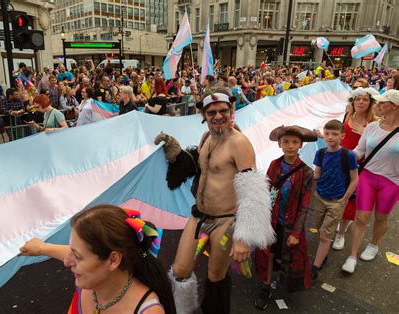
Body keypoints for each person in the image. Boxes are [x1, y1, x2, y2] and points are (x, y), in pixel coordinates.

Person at [153, 89, 275, 313]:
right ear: (203, 115)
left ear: (231, 111)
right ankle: (184, 310)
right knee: (180, 270)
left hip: (225, 222)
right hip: (199, 215)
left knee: (215, 275)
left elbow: (254, 191)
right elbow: (202, 170)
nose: (218, 116)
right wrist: (178, 154)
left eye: (223, 111)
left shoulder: (239, 143)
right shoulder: (206, 138)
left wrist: (243, 238)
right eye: (212, 112)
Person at [20, 205, 175, 314]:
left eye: (77, 256)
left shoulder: (147, 311)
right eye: (72, 250)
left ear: (113, 260)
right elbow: (72, 253)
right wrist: (43, 248)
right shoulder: (92, 279)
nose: (67, 262)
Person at [254, 125, 317, 310]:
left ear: (301, 145)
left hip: (290, 224)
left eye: (295, 142)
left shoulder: (306, 172)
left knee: (288, 256)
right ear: (280, 144)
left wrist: (296, 233)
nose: (290, 145)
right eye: (286, 142)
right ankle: (266, 287)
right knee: (269, 253)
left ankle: (286, 282)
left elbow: (305, 205)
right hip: (271, 221)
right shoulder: (274, 164)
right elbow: (266, 190)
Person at [342, 89, 399, 274]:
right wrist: (342, 157)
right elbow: (360, 151)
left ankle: (374, 245)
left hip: (392, 181)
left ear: (394, 106)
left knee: (381, 217)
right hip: (367, 176)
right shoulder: (372, 127)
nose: (378, 105)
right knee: (361, 217)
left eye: (382, 103)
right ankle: (352, 256)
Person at [311, 120, 358, 280]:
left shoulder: (349, 155)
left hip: (336, 201)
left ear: (342, 136)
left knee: (325, 235)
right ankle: (323, 255)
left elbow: (354, 179)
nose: (330, 137)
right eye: (327, 133)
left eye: (334, 134)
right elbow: (317, 174)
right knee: (318, 229)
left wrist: (344, 198)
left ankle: (315, 266)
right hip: (319, 197)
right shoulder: (321, 153)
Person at [332, 87, 378, 251]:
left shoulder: (375, 123)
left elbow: (378, 147)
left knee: (349, 200)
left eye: (365, 99)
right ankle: (338, 225)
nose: (361, 102)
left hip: (360, 166)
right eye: (358, 99)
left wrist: (367, 133)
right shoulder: (347, 115)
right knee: (337, 197)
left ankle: (341, 234)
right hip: (341, 162)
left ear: (370, 102)